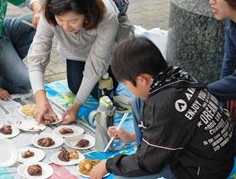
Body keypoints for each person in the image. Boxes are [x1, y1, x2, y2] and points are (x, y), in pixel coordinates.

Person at [90, 37, 235, 179]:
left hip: (202, 171)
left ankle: (147, 149)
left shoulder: (162, 107)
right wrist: (132, 137)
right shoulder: (177, 76)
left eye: (126, 84)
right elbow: (176, 127)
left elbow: (147, 164)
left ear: (142, 80)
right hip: (214, 156)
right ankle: (146, 145)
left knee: (122, 176)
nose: (127, 88)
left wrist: (108, 165)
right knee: (138, 102)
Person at [28, 0, 134, 125]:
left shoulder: (106, 17)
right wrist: (41, 101)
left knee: (102, 95)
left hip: (107, 45)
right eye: (60, 20)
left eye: (73, 20)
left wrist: (76, 107)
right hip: (76, 46)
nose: (66, 27)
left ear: (86, 14)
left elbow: (96, 64)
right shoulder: (50, 13)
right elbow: (36, 58)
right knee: (76, 87)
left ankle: (121, 57)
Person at [201, 0, 236, 152]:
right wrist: (221, 111)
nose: (210, 2)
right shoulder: (231, 23)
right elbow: (228, 64)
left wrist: (202, 91)